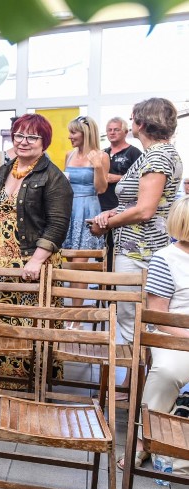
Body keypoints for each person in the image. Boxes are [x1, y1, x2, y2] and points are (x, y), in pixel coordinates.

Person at [0, 114, 73, 386]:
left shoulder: (54, 177)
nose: (24, 142)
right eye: (19, 135)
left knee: (28, 322)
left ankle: (32, 379)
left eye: (32, 136)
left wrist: (37, 261)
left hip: (30, 261)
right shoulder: (5, 169)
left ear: (44, 142)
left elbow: (58, 224)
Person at [90, 97, 183, 343]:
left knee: (133, 322)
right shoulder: (156, 153)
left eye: (132, 118)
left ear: (141, 123)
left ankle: (142, 380)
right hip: (140, 247)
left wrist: (107, 224)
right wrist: (113, 212)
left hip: (140, 252)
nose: (131, 122)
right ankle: (138, 378)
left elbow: (145, 210)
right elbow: (137, 203)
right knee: (136, 321)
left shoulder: (157, 157)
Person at [120, 196, 189, 473]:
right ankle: (142, 441)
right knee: (167, 372)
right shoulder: (166, 258)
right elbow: (158, 315)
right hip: (172, 333)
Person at [63, 116, 109, 320]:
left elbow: (101, 189)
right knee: (69, 262)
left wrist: (98, 167)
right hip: (69, 208)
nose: (70, 136)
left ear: (86, 134)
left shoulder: (101, 156)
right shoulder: (69, 155)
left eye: (74, 132)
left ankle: (77, 317)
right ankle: (72, 312)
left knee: (80, 264)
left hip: (88, 207)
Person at [102, 117, 142, 272]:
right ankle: (102, 283)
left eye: (116, 129)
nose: (112, 133)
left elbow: (142, 179)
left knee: (116, 247)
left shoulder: (134, 153)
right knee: (103, 248)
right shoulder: (103, 152)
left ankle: (114, 284)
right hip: (102, 204)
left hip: (122, 208)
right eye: (109, 130)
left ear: (125, 132)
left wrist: (118, 178)